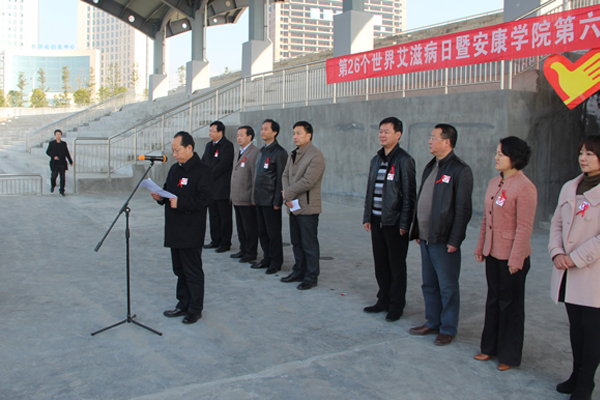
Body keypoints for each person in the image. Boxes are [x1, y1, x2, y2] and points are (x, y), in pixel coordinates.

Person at [473, 137, 537, 371]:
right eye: (496, 153)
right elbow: (486, 219)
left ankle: (508, 355)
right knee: (493, 300)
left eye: (501, 154)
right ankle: (489, 347)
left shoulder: (525, 187)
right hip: (493, 252)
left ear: (515, 158)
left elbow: (524, 227)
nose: (496, 157)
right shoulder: (494, 182)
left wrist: (516, 258)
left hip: (512, 257)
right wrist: (481, 246)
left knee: (511, 305)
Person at [409, 123, 473, 346]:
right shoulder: (431, 166)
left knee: (447, 287)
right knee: (429, 284)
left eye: (434, 137)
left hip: (444, 239)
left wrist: (455, 239)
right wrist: (418, 231)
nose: (430, 141)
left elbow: (463, 209)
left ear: (447, 142)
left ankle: (448, 328)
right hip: (426, 237)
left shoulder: (460, 170)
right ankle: (432, 321)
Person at [549, 135, 600, 400]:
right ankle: (575, 374)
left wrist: (576, 258)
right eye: (581, 152)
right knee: (576, 328)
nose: (583, 158)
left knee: (592, 331)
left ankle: (586, 382)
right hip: (567, 270)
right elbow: (556, 222)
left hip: (592, 273)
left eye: (590, 153)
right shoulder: (570, 187)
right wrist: (557, 252)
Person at [152, 131, 214, 325]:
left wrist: (182, 203)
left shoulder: (202, 170)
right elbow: (168, 191)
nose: (174, 154)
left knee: (192, 270)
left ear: (189, 148)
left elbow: (206, 198)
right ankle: (183, 303)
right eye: (173, 151)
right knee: (179, 269)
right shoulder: (174, 169)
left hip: (190, 228)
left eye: (177, 150)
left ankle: (195, 309)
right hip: (174, 227)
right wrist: (160, 197)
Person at [362, 117, 416, 321]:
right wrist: (367, 216)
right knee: (381, 264)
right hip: (377, 221)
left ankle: (396, 305)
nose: (382, 135)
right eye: (380, 131)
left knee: (396, 266)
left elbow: (409, 195)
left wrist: (405, 223)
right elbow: (370, 190)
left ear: (398, 134)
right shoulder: (376, 160)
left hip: (395, 223)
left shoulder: (404, 160)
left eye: (387, 132)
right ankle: (383, 299)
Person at [281, 121, 326, 290]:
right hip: (293, 205)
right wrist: (287, 194)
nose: (295, 136)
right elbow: (285, 175)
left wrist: (288, 193)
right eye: (294, 133)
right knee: (296, 242)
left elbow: (309, 181)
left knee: (309, 244)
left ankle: (311, 276)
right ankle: (298, 271)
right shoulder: (293, 154)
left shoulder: (316, 155)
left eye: (299, 133)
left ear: (309, 135)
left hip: (307, 207)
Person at [252, 119, 288, 274]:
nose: (262, 131)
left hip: (271, 199)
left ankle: (276, 262)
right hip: (260, 198)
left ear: (275, 132)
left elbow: (281, 178)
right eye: (261, 129)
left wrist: (277, 201)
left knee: (273, 233)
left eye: (266, 129)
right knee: (262, 231)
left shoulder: (279, 152)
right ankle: (266, 258)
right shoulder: (262, 151)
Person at [201, 121, 234, 253]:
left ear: (220, 132)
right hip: (211, 188)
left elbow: (223, 165)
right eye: (209, 131)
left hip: (222, 188)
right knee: (213, 216)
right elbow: (203, 162)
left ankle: (225, 243)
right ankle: (215, 240)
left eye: (212, 131)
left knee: (224, 217)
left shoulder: (227, 145)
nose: (210, 133)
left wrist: (208, 176)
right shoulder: (209, 146)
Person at [230, 125, 260, 264]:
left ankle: (251, 252)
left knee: (249, 227)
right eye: (237, 135)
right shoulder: (238, 152)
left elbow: (255, 177)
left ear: (250, 137)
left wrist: (254, 196)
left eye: (242, 135)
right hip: (237, 196)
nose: (239, 138)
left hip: (247, 197)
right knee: (241, 227)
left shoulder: (255, 153)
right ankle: (243, 249)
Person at [46, 129, 73, 197]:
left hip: (62, 163)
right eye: (57, 134)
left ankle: (62, 191)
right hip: (54, 163)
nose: (58, 136)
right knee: (53, 176)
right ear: (55, 135)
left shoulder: (64, 144)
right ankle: (53, 185)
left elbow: (67, 153)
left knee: (62, 178)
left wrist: (70, 161)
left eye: (59, 134)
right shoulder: (52, 143)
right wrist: (53, 156)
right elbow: (48, 152)